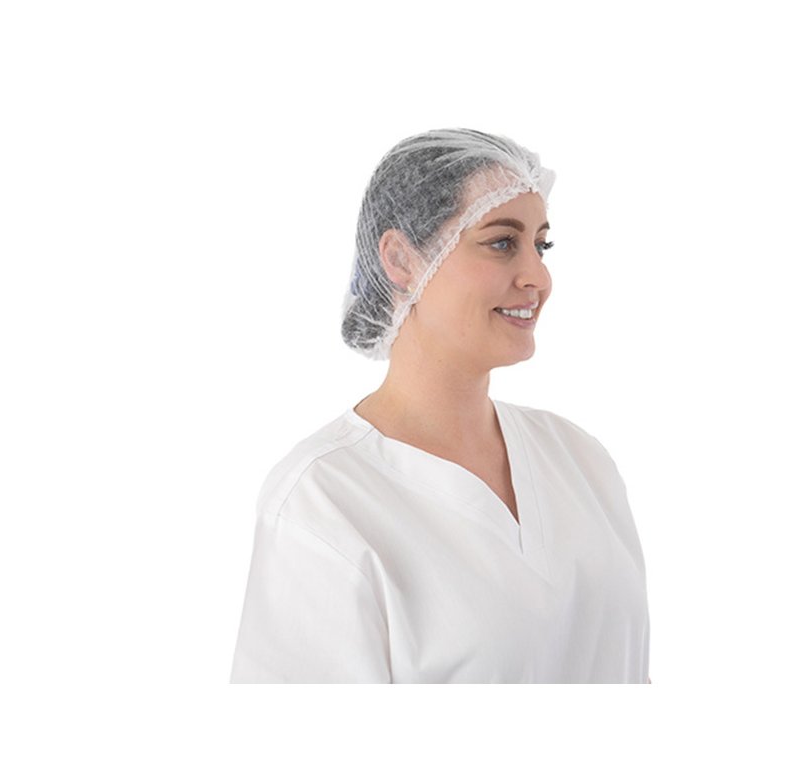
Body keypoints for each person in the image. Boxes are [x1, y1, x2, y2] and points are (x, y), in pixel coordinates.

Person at [230, 128, 650, 683]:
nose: (539, 277)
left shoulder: (579, 458)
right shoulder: (322, 502)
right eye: (502, 242)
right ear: (401, 260)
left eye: (541, 245)